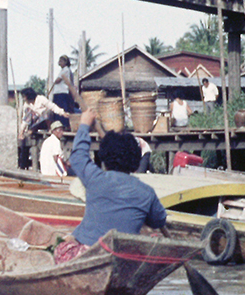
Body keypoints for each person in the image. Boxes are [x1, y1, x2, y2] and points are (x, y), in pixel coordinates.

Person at [58, 108, 168, 263]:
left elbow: (77, 157)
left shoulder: (95, 179)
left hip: (88, 254)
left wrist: (84, 125)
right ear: (135, 162)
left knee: (61, 247)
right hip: (124, 259)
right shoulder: (146, 192)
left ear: (104, 158)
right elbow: (159, 221)